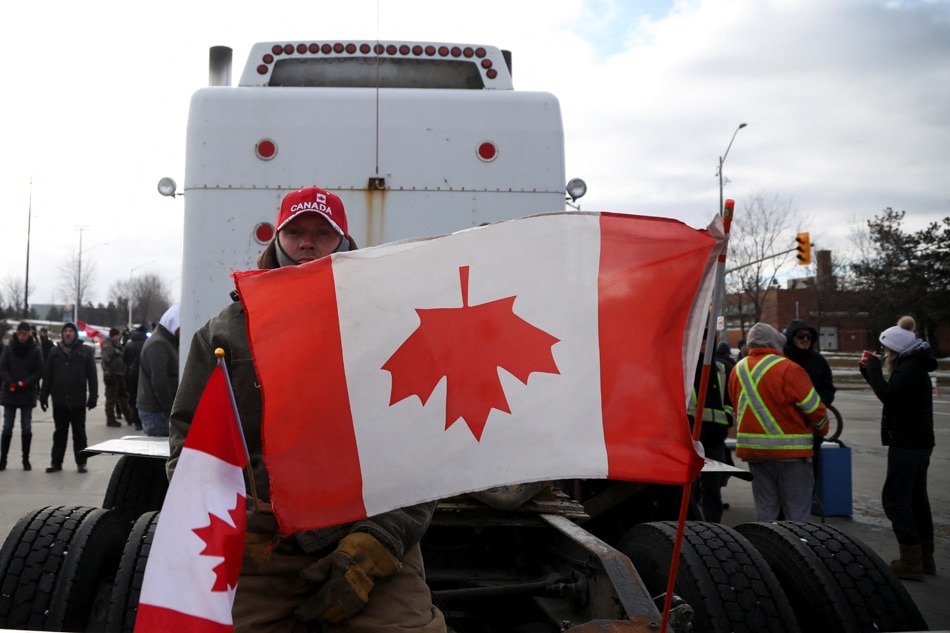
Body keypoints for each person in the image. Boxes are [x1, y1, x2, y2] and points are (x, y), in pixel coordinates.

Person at [169, 186, 446, 633]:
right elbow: (191, 444)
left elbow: (424, 444)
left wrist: (379, 542)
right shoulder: (225, 335)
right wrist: (234, 521)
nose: (307, 243)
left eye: (322, 232)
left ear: (344, 242)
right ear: (277, 240)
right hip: (265, 546)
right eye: (295, 232)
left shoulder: (390, 326)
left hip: (368, 535)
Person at [860, 316, 937, 580]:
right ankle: (925, 557)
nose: (883, 353)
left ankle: (911, 560)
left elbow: (890, 397)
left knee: (895, 499)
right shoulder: (913, 366)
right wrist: (869, 373)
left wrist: (871, 369)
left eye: (885, 349)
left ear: (895, 349)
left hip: (908, 443)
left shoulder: (909, 368)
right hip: (917, 442)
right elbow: (893, 393)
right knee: (916, 498)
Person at [728, 322, 829, 521]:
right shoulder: (789, 369)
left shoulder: (738, 369)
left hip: (754, 452)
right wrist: (821, 429)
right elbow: (814, 409)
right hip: (791, 454)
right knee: (797, 512)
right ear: (775, 342)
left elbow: (735, 405)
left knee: (766, 509)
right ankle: (797, 550)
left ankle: (768, 549)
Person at [783, 318, 837, 489]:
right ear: (791, 337)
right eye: (801, 335)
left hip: (811, 430)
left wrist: (818, 406)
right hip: (784, 431)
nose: (805, 339)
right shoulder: (782, 359)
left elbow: (828, 389)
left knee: (809, 480)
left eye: (809, 336)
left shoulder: (818, 361)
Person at [39, 322, 98, 473]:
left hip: (77, 400)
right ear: (62, 334)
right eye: (65, 331)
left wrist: (93, 396)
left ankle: (81, 462)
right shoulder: (54, 352)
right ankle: (56, 463)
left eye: (71, 331)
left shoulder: (85, 352)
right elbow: (48, 376)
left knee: (79, 433)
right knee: (60, 433)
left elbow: (92, 376)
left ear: (75, 334)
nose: (68, 333)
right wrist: (43, 396)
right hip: (59, 400)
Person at [688, 331, 734, 522]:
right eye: (702, 341)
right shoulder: (688, 369)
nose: (704, 346)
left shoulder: (722, 369)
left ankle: (713, 527)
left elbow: (730, 399)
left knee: (712, 487)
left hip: (716, 438)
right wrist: (692, 428)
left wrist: (727, 423)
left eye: (708, 342)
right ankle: (692, 527)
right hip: (692, 437)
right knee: (689, 487)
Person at [0, 322, 43, 471]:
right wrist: (10, 382)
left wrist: (26, 382)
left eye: (25, 334)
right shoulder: (9, 348)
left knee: (26, 427)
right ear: (16, 334)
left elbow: (39, 371)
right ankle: (3, 459)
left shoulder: (35, 350)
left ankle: (25, 459)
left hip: (26, 393)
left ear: (29, 334)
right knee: (7, 427)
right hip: (10, 393)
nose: (22, 336)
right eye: (20, 334)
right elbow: (2, 367)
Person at [137, 305, 181, 437]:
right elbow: (159, 382)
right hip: (156, 412)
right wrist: (171, 411)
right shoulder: (159, 344)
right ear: (174, 323)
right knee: (160, 454)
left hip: (159, 410)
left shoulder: (167, 341)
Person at [101, 327, 137, 428]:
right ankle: (110, 419)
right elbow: (105, 362)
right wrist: (107, 375)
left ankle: (130, 418)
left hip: (120, 374)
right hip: (112, 375)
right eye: (117, 335)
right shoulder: (108, 346)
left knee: (123, 397)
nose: (119, 337)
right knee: (111, 399)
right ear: (113, 336)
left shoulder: (117, 345)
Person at [123, 324, 148, 430]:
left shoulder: (129, 344)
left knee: (133, 397)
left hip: (131, 374)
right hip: (144, 375)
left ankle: (136, 419)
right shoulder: (147, 344)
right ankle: (143, 420)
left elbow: (124, 360)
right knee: (144, 397)